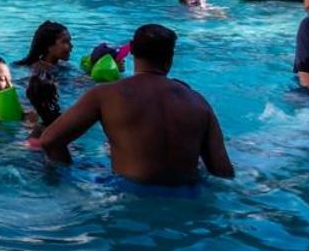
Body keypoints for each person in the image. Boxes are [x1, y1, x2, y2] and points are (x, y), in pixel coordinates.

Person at [37, 24, 235, 185]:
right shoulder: (197, 101)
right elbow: (222, 171)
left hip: (129, 195)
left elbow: (49, 141)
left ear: (132, 52)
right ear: (170, 58)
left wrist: (68, 177)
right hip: (189, 198)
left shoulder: (106, 94)